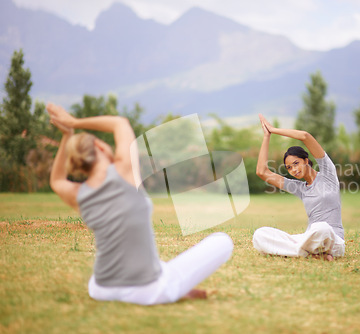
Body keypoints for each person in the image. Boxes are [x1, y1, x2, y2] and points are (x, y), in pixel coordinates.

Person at [47, 103, 233, 305]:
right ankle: (174, 288)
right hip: (146, 291)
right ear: (100, 147)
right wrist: (73, 122)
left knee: (156, 266)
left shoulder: (79, 194)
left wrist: (67, 136)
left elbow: (56, 181)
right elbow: (120, 123)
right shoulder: (124, 170)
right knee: (222, 241)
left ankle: (171, 283)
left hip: (101, 288)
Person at [252, 114, 345, 261]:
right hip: (309, 238)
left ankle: (301, 251)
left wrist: (274, 130)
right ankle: (308, 252)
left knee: (321, 228)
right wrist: (266, 137)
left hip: (333, 240)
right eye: (289, 168)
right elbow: (262, 172)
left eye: (296, 163)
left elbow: (305, 136)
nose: (293, 170)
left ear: (306, 160)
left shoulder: (328, 174)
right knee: (260, 234)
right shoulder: (299, 187)